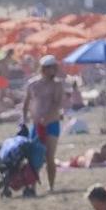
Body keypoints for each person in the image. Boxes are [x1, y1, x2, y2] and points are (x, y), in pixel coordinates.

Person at [24, 55, 68, 192]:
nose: (52, 70)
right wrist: (24, 117)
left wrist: (46, 118)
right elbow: (27, 102)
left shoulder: (57, 85)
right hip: (37, 124)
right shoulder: (32, 84)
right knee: (34, 156)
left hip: (52, 123)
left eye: (54, 67)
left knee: (49, 156)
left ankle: (51, 186)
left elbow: (57, 104)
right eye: (49, 67)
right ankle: (32, 186)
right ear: (43, 69)